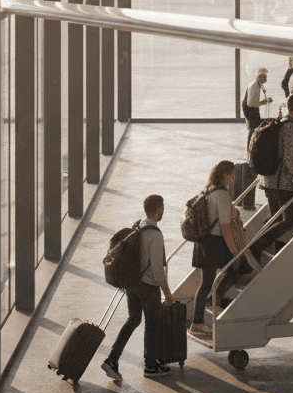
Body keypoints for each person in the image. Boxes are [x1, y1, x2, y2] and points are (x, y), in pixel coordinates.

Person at [101, 194, 176, 380]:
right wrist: (167, 294)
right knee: (152, 324)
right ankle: (150, 366)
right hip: (148, 286)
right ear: (159, 210)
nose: (164, 211)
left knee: (133, 319)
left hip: (132, 284)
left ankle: (112, 359)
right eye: (163, 208)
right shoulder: (155, 235)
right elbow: (158, 270)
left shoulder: (138, 226)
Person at [246, 93, 293, 263]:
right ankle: (256, 247)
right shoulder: (292, 127)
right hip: (282, 182)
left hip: (268, 179)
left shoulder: (281, 123)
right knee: (289, 220)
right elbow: (289, 158)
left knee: (275, 218)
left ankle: (266, 250)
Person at [189, 160, 250, 338]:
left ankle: (197, 322)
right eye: (231, 174)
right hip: (215, 242)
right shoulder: (222, 194)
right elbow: (225, 227)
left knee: (205, 282)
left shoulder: (208, 190)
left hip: (203, 242)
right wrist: (234, 252)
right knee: (236, 269)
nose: (233, 177)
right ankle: (212, 302)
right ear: (225, 175)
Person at [242, 68, 273, 139]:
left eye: (266, 76)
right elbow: (250, 104)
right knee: (253, 128)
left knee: (255, 126)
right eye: (264, 76)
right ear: (259, 77)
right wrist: (263, 102)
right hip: (249, 108)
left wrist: (265, 101)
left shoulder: (258, 85)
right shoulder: (254, 86)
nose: (266, 78)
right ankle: (250, 146)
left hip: (252, 107)